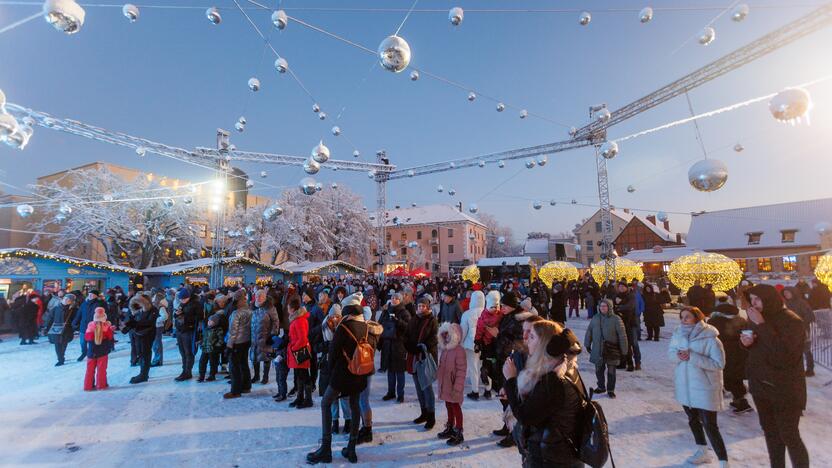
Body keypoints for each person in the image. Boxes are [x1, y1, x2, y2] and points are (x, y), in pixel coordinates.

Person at [307, 293, 382, 464]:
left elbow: (333, 354)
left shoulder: (344, 326)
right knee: (355, 406)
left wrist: (333, 372)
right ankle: (351, 449)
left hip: (342, 375)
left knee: (326, 403)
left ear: (347, 309)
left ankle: (326, 448)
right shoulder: (365, 325)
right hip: (359, 374)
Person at [741, 284, 809, 468]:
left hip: (784, 389)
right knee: (771, 435)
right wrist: (747, 343)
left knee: (789, 436)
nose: (754, 304)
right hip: (761, 387)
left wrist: (762, 325)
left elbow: (785, 355)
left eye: (758, 299)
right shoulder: (756, 318)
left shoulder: (791, 321)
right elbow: (759, 349)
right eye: (752, 299)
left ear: (769, 299)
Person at [504, 321, 585, 467]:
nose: (527, 339)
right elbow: (543, 407)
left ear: (545, 344)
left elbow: (526, 416)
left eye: (533, 336)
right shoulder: (560, 368)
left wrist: (510, 380)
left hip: (552, 458)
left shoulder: (554, 379)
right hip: (557, 453)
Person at [669, 307, 729, 466]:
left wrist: (692, 357)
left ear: (697, 317)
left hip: (704, 387)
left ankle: (723, 461)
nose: (683, 320)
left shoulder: (710, 337)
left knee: (710, 425)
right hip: (686, 386)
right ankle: (702, 451)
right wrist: (678, 356)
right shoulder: (678, 333)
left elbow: (719, 363)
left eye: (687, 317)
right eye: (681, 317)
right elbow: (670, 353)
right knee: (693, 420)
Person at [708, 296, 752, 414]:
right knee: (736, 376)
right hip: (740, 352)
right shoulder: (742, 320)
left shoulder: (713, 322)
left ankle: (741, 402)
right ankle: (738, 399)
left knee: (728, 377)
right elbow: (748, 334)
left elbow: (709, 338)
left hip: (723, 352)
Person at [405, 295, 439, 430]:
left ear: (428, 307)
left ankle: (431, 415)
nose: (421, 308)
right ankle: (423, 412)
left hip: (425, 357)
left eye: (423, 306)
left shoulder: (432, 320)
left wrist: (422, 347)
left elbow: (434, 338)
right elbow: (406, 335)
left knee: (426, 387)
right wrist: (409, 347)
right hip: (414, 357)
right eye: (419, 306)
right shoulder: (414, 319)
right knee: (418, 387)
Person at [583, 299, 627, 398]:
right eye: (601, 306)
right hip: (598, 349)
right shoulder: (595, 318)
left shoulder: (616, 319)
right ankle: (601, 387)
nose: (602, 308)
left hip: (611, 349)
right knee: (599, 369)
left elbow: (622, 335)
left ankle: (611, 389)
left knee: (611, 371)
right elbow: (589, 331)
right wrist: (587, 343)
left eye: (605, 306)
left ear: (609, 307)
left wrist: (624, 350)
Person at [436, 322, 467, 446]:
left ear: (456, 336)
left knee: (456, 407)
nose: (447, 337)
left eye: (449, 335)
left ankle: (459, 431)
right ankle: (450, 427)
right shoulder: (445, 349)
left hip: (454, 386)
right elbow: (442, 366)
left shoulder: (459, 351)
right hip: (446, 384)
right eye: (445, 335)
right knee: (448, 405)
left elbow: (461, 371)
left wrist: (458, 388)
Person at [379, 293, 411, 403]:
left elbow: (408, 327)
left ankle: (400, 394)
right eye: (392, 297)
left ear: (400, 300)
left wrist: (398, 321)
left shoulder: (404, 312)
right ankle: (391, 392)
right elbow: (380, 324)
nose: (394, 299)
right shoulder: (386, 311)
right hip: (387, 344)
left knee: (399, 371)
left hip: (399, 344)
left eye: (396, 298)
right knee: (390, 370)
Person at [123, 293, 158, 384]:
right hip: (138, 334)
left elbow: (149, 322)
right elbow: (132, 319)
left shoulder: (153, 309)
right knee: (141, 354)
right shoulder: (138, 310)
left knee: (145, 354)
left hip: (147, 335)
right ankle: (143, 373)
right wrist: (128, 324)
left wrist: (136, 323)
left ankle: (144, 374)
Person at [225, 289, 253, 399]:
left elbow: (233, 332)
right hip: (246, 341)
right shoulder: (250, 311)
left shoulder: (236, 313)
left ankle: (235, 390)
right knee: (244, 364)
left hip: (236, 342)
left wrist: (229, 345)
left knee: (234, 367)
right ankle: (246, 386)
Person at [782, 287, 816, 377]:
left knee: (806, 349)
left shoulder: (802, 303)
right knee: (793, 350)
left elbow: (811, 316)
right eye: (785, 293)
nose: (786, 295)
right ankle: (795, 369)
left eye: (788, 293)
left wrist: (800, 322)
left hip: (802, 330)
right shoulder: (785, 303)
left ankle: (810, 369)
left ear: (793, 293)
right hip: (790, 331)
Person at [475, 290, 502, 400]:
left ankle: (486, 372)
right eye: (493, 307)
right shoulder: (500, 315)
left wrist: (477, 341)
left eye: (496, 307)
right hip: (494, 344)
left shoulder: (484, 315)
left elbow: (479, 329)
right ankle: (489, 380)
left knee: (489, 361)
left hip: (488, 344)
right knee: (493, 361)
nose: (494, 309)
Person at [287, 295, 313, 408]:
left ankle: (308, 400)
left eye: (288, 308)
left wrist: (293, 348)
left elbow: (302, 338)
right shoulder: (296, 319)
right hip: (298, 350)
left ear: (292, 309)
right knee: (299, 375)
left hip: (300, 351)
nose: (287, 310)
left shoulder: (299, 320)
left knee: (304, 375)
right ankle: (300, 397)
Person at [251, 289, 280, 385]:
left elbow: (276, 322)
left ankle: (265, 376)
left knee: (266, 356)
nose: (258, 298)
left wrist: (273, 334)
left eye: (261, 296)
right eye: (257, 296)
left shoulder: (270, 308)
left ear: (265, 297)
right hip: (254, 336)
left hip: (266, 336)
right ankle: (256, 375)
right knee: (255, 356)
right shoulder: (253, 307)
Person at [460, 290, 485, 400]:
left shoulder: (467, 314)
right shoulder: (487, 312)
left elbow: (463, 331)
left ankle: (475, 390)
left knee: (473, 367)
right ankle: (488, 389)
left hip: (471, 345)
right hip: (486, 344)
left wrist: (460, 343)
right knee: (485, 366)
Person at [83, 307, 115, 391]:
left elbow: (86, 338)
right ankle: (101, 385)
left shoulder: (90, 326)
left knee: (89, 370)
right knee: (101, 369)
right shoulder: (106, 327)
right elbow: (110, 337)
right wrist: (110, 330)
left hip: (91, 351)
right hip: (103, 351)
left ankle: (88, 386)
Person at [173, 288, 199, 381]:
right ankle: (184, 371)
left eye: (184, 299)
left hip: (188, 331)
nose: (182, 300)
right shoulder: (182, 304)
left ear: (188, 297)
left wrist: (185, 316)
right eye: (180, 299)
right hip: (180, 330)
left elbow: (198, 318)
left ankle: (188, 372)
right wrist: (176, 314)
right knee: (182, 352)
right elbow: (176, 315)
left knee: (188, 352)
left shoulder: (195, 304)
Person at [44, 293, 77, 366]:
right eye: (65, 299)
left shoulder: (73, 310)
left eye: (68, 300)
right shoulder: (56, 308)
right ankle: (60, 359)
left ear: (71, 302)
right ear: (62, 299)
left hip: (67, 330)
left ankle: (62, 355)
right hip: (56, 329)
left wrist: (74, 327)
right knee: (57, 344)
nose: (66, 300)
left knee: (64, 344)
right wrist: (46, 327)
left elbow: (75, 320)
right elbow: (50, 319)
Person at [73, 291, 106, 360]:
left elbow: (105, 315)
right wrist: (75, 322)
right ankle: (84, 352)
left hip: (94, 327)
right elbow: (79, 313)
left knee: (92, 342)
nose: (90, 295)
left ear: (96, 296)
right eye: (89, 294)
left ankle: (91, 354)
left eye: (92, 294)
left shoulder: (100, 304)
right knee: (82, 342)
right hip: (84, 325)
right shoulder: (84, 303)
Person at [614, 282, 640, 371]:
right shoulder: (617, 295)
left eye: (623, 286)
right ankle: (623, 362)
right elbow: (612, 306)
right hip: (620, 323)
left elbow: (630, 306)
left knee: (633, 344)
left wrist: (619, 306)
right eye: (619, 286)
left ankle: (635, 363)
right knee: (622, 343)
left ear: (626, 287)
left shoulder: (630, 295)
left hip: (630, 323)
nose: (621, 288)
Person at [198, 305, 227, 382]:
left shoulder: (218, 329)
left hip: (213, 349)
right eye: (208, 321)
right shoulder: (206, 329)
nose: (209, 322)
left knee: (213, 363)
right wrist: (201, 343)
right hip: (205, 348)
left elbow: (220, 339)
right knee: (202, 362)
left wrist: (217, 346)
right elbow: (204, 338)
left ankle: (212, 375)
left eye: (211, 321)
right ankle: (201, 375)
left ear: (215, 322)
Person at [150, 292, 168, 367]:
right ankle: (157, 359)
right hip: (155, 326)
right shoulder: (156, 306)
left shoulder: (161, 307)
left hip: (158, 327)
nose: (153, 299)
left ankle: (158, 360)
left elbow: (165, 316)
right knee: (155, 344)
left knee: (157, 344)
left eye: (154, 298)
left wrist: (155, 320)